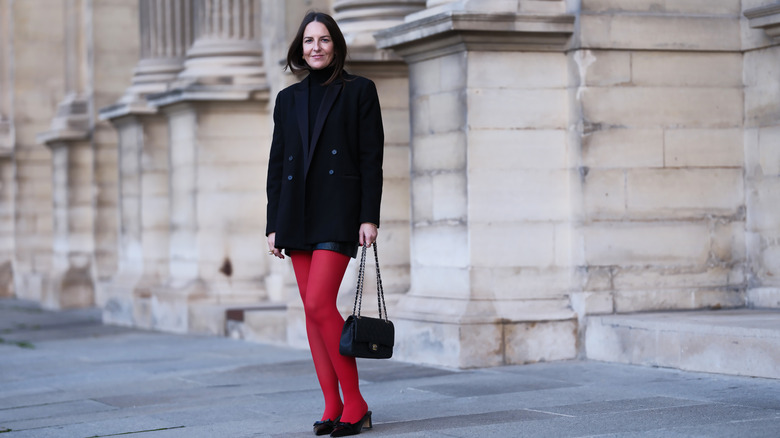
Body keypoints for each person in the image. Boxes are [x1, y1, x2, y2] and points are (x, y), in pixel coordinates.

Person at [265, 11, 383, 437]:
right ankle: (332, 403)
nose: (315, 47)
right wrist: (273, 224)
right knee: (312, 315)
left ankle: (356, 402)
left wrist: (369, 216)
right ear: (300, 48)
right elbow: (277, 166)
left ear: (336, 45)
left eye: (324, 40)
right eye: (308, 41)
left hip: (337, 213)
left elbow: (372, 159)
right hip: (296, 216)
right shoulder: (288, 99)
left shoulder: (360, 92)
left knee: (319, 304)